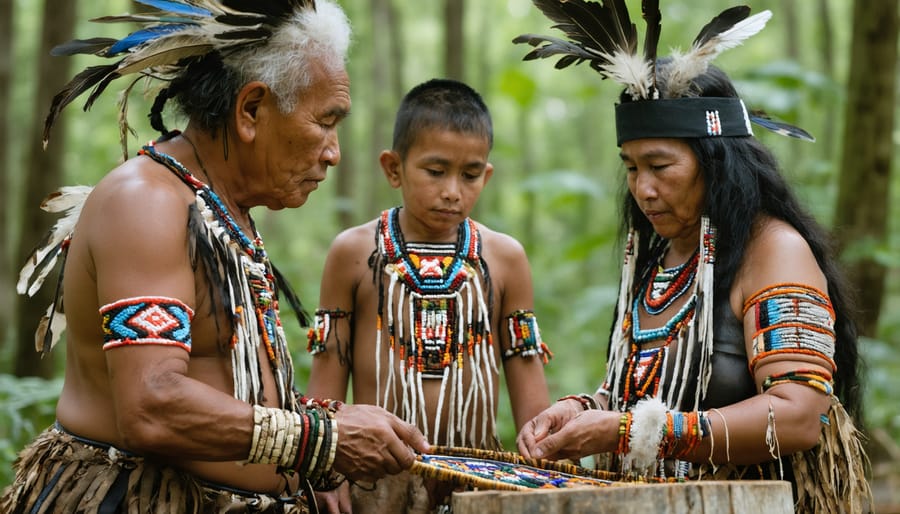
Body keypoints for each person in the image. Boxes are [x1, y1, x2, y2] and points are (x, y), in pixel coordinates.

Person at [1, 1, 430, 512]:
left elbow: (226, 383)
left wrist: (322, 440)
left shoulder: (221, 209)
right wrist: (321, 439)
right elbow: (153, 406)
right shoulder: (148, 202)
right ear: (251, 110)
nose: (334, 152)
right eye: (326, 121)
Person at [512, 2, 871, 513]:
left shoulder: (774, 250)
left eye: (660, 165)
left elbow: (799, 416)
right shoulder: (664, 256)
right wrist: (583, 409)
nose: (644, 188)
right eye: (632, 168)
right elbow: (651, 393)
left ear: (715, 161)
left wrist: (630, 431)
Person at [305, 78, 552, 513]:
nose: (453, 190)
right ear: (394, 168)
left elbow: (532, 406)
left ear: (487, 174)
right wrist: (324, 472)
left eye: (470, 174)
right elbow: (328, 380)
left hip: (476, 486)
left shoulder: (505, 259)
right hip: (373, 487)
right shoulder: (353, 253)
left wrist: (548, 475)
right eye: (435, 172)